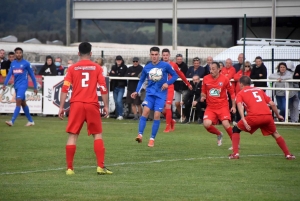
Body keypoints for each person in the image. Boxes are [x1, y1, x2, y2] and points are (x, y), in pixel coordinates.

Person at [58, 42, 112, 175]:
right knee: (97, 134)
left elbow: (65, 88)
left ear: (78, 53)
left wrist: (61, 107)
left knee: (73, 135)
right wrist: (106, 105)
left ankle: (70, 169)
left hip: (76, 104)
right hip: (91, 104)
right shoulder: (97, 68)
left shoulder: (72, 68)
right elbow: (103, 88)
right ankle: (100, 166)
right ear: (91, 54)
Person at [229, 76, 295, 160]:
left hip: (254, 117)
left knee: (235, 129)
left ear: (240, 84)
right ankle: (288, 154)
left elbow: (239, 105)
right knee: (275, 133)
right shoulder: (259, 90)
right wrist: (278, 115)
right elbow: (272, 104)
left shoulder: (241, 93)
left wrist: (243, 119)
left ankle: (236, 154)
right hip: (267, 116)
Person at [131, 46, 178, 147]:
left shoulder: (165, 65)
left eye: (156, 54)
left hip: (161, 95)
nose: (154, 56)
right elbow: (141, 80)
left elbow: (175, 75)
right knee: (145, 112)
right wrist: (136, 91)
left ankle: (152, 139)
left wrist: (168, 83)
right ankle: (140, 135)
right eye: (152, 54)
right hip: (150, 94)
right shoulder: (147, 67)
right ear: (150, 55)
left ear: (159, 55)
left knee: (157, 115)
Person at [199, 62, 236, 146]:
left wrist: (233, 106)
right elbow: (203, 92)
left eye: (213, 69)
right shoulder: (205, 78)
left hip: (222, 106)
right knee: (206, 124)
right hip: (211, 107)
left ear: (219, 69)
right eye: (210, 69)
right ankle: (219, 134)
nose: (211, 71)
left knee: (225, 123)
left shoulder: (225, 79)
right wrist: (203, 97)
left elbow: (232, 93)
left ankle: (235, 144)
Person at [2, 47, 38, 126]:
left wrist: (35, 87)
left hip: (23, 85)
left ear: (22, 54)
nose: (18, 54)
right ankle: (31, 121)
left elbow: (32, 75)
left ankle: (12, 121)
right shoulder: (13, 63)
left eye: (20, 53)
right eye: (17, 53)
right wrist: (4, 84)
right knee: (23, 103)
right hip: (16, 85)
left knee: (18, 101)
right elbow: (9, 75)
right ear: (15, 54)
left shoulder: (26, 63)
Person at [161, 48, 192, 132]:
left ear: (169, 56)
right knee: (161, 109)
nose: (165, 56)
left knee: (168, 106)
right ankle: (171, 121)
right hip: (161, 88)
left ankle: (168, 126)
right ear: (161, 56)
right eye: (164, 55)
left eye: (167, 55)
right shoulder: (158, 64)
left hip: (170, 87)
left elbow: (181, 74)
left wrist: (188, 84)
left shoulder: (173, 65)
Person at [109, 55, 127, 120]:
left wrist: (115, 73)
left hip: (121, 86)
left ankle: (120, 115)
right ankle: (117, 115)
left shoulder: (124, 67)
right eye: (117, 60)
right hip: (114, 86)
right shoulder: (113, 66)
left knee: (119, 101)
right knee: (116, 101)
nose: (118, 61)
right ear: (116, 61)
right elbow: (111, 74)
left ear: (122, 61)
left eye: (120, 60)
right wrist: (116, 73)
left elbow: (121, 74)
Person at [174, 53, 189, 122]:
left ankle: (187, 117)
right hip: (177, 88)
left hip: (184, 87)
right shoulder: (174, 65)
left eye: (180, 59)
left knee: (183, 103)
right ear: (176, 60)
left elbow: (183, 75)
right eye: (178, 59)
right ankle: (182, 116)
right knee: (177, 103)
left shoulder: (185, 66)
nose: (179, 60)